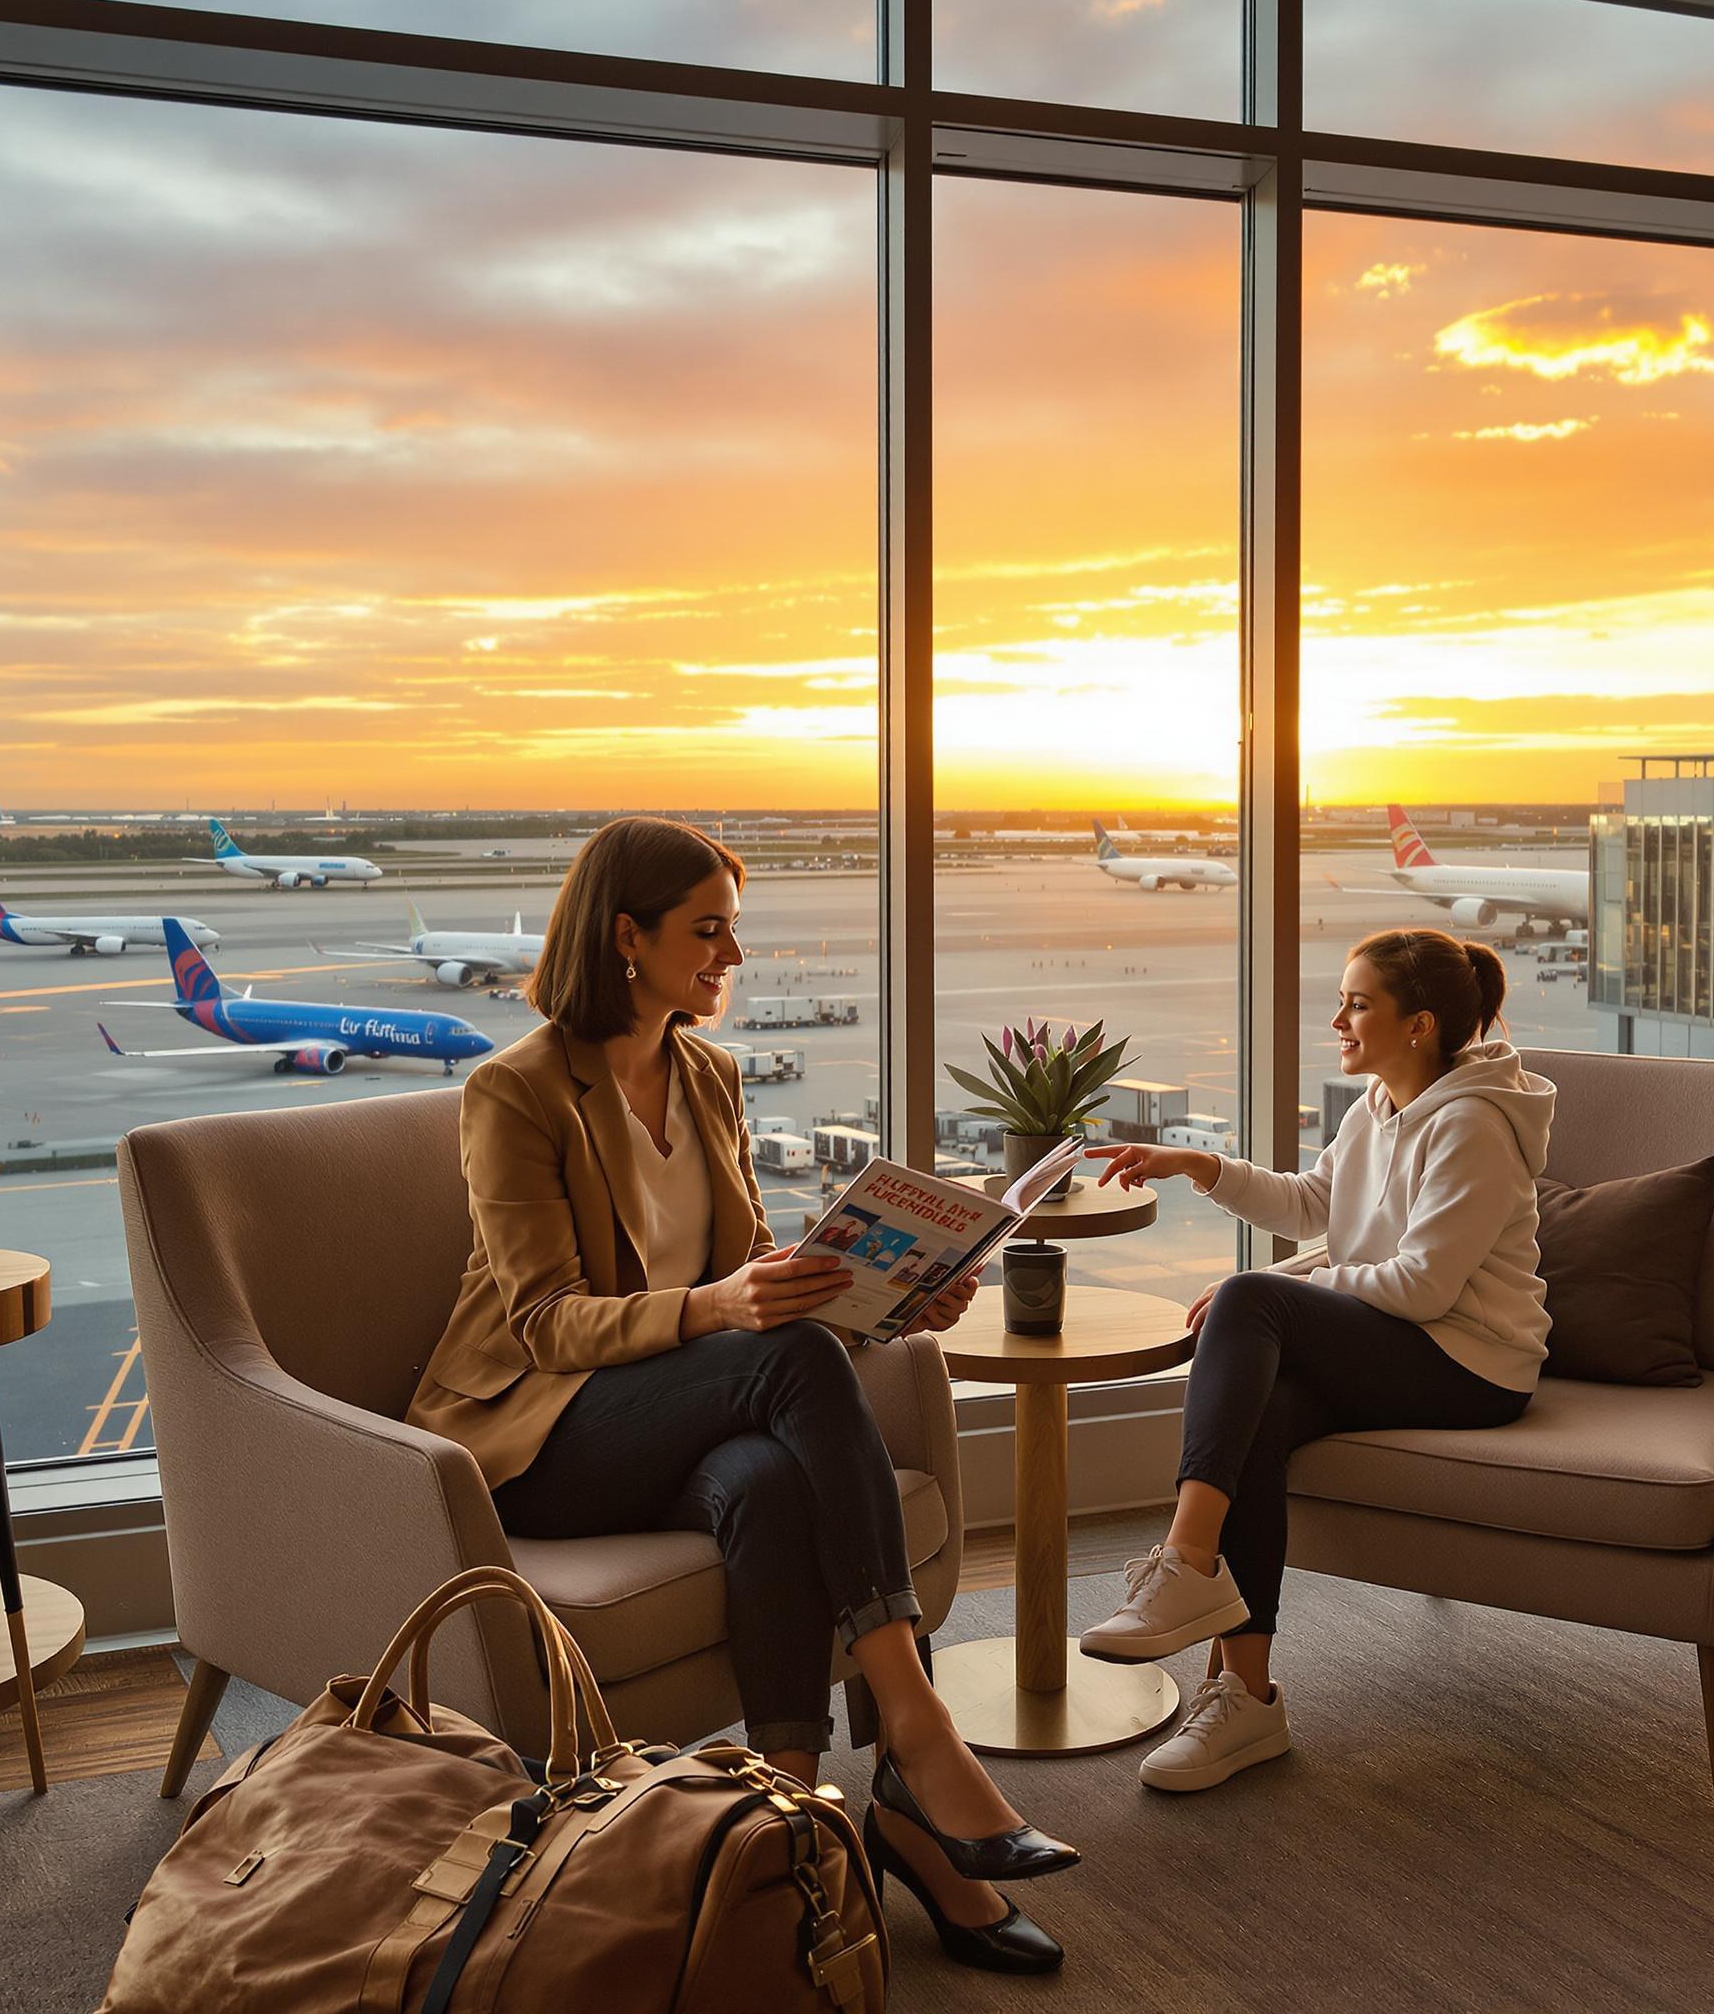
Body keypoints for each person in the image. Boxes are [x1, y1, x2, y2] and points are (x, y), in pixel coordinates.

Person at [408, 816, 1074, 1976]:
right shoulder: (516, 1092)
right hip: (543, 1430)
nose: (731, 954)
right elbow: (544, 1323)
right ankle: (915, 1737)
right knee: (792, 1367)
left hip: (690, 1404)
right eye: (705, 930)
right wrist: (726, 1307)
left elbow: (763, 1267)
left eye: (732, 928)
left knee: (768, 1480)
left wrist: (891, 1297)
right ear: (627, 937)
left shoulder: (706, 1071)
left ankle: (797, 1834)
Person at [1083, 925, 1552, 1794]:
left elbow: (1420, 1288)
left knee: (1249, 1299)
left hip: (1475, 1366)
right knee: (1264, 1411)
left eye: (1358, 1003)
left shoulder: (1476, 1125)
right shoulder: (1380, 1107)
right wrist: (1200, 1164)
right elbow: (1313, 1207)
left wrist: (1270, 1290)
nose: (1338, 1018)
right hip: (1409, 1346)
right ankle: (1247, 1700)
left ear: (1418, 1025)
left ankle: (1188, 1563)